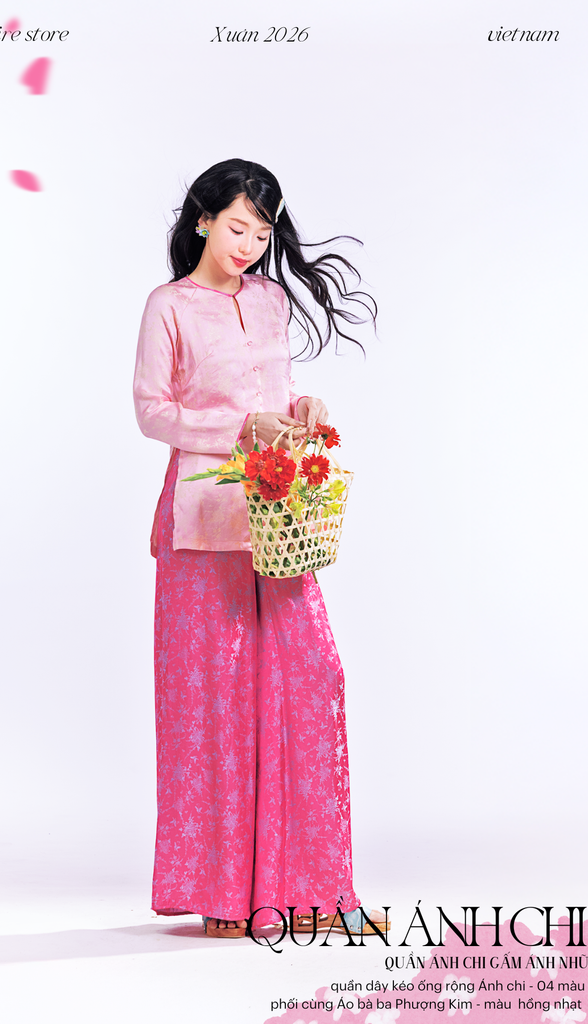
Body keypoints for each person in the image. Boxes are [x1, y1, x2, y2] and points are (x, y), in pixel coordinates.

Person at [133, 158, 385, 939]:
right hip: (202, 523)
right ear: (203, 220)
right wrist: (240, 428)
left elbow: (271, 397)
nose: (248, 245)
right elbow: (152, 412)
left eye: (261, 232)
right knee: (213, 708)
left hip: (279, 518)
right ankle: (221, 896)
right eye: (237, 228)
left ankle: (313, 890)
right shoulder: (169, 305)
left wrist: (300, 407)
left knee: (310, 682)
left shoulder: (270, 299)